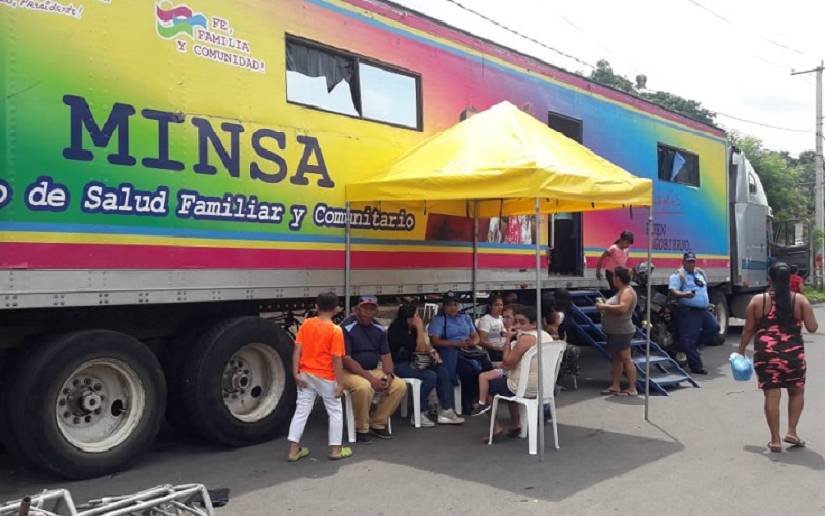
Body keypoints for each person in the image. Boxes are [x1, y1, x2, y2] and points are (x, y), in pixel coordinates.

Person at [737, 263, 818, 453]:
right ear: (790, 279)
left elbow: (748, 330)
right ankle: (792, 432)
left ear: (769, 279)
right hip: (793, 355)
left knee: (771, 394)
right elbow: (813, 327)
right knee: (796, 391)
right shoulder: (799, 300)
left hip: (766, 355)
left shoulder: (758, 300)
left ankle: (775, 440)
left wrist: (740, 351)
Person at [286, 292, 351, 462]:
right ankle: (335, 450)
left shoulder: (307, 324)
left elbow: (297, 350)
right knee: (335, 411)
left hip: (305, 374)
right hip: (326, 376)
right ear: (337, 309)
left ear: (316, 307)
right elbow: (336, 359)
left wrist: (295, 373)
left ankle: (293, 450)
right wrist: (340, 383)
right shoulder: (336, 330)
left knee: (301, 410)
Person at [340, 295, 407, 443]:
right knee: (364, 387)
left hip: (372, 369)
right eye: (365, 308)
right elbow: (346, 360)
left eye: (372, 308)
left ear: (376, 311)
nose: (368, 311)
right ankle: (361, 427)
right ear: (357, 309)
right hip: (347, 371)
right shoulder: (347, 327)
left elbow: (386, 355)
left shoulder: (379, 329)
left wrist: (389, 375)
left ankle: (377, 422)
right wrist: (371, 379)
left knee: (399, 385)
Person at [486, 305, 555, 440]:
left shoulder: (525, 338)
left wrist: (507, 339)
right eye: (516, 322)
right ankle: (515, 423)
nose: (517, 326)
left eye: (522, 322)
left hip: (526, 387)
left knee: (487, 384)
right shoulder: (546, 335)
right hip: (546, 386)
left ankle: (496, 428)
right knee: (505, 382)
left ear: (533, 323)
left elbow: (507, 363)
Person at [388, 304, 459, 427]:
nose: (418, 318)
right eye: (416, 315)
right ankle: (419, 412)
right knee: (430, 376)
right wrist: (420, 328)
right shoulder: (396, 331)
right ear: (409, 318)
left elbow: (425, 346)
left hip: (416, 362)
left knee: (441, 370)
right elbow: (420, 349)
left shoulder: (413, 329)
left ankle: (446, 410)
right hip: (400, 364)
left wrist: (432, 352)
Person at [428, 292, 489, 416]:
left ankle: (482, 399)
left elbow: (476, 336)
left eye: (455, 305)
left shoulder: (465, 318)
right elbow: (435, 341)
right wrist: (455, 343)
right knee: (469, 369)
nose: (453, 308)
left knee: (486, 365)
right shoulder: (439, 320)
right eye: (450, 305)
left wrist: (472, 342)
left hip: (468, 349)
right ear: (444, 306)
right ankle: (467, 402)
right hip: (449, 351)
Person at [668, 252, 719, 375]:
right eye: (688, 261)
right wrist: (684, 294)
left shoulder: (700, 273)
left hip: (703, 310)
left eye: (693, 261)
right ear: (683, 262)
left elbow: (704, 288)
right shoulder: (678, 275)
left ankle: (689, 347)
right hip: (689, 310)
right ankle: (696, 366)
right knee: (689, 339)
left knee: (714, 327)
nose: (691, 264)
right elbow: (673, 291)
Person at [596, 267, 639, 396]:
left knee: (626, 359)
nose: (612, 279)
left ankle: (632, 388)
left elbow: (623, 308)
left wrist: (604, 306)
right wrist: (606, 304)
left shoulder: (627, 292)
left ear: (618, 278)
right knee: (617, 359)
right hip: (614, 331)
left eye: (614, 276)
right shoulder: (621, 291)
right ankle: (615, 386)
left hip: (622, 331)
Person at [477, 295, 507, 361]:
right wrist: (498, 348)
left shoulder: (502, 318)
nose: (500, 307)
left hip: (505, 350)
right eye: (496, 305)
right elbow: (481, 341)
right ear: (490, 307)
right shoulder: (486, 320)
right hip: (493, 352)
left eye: (501, 305)